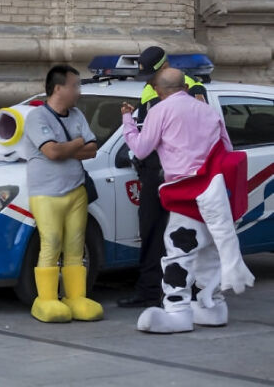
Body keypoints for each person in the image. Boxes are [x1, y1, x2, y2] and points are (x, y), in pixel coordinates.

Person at [121, 68, 254, 333]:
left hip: (185, 191)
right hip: (214, 193)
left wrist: (127, 120)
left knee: (178, 253)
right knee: (209, 252)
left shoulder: (160, 110)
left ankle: (177, 309)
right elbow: (226, 149)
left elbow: (141, 148)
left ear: (159, 89)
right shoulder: (207, 110)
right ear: (183, 86)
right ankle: (211, 304)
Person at [118, 46, 209, 308]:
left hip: (183, 174)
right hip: (154, 173)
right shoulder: (149, 91)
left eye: (154, 76)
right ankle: (148, 292)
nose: (151, 82)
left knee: (185, 236)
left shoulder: (191, 87)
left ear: (166, 65)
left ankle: (187, 293)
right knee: (151, 232)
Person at [23, 65, 103, 323]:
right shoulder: (37, 117)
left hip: (76, 190)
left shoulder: (77, 114)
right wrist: (77, 143)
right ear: (58, 88)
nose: (78, 91)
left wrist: (70, 147)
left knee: (75, 246)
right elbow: (52, 152)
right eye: (75, 85)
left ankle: (75, 297)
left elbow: (93, 149)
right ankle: (46, 299)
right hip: (46, 193)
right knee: (51, 242)